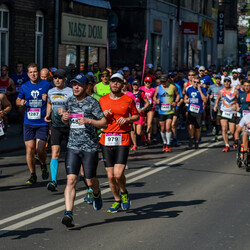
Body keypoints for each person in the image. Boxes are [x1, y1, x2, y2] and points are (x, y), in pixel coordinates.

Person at [61, 74, 108, 227]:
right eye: (74, 84)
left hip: (90, 147)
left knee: (90, 180)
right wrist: (65, 119)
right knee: (71, 180)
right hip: (73, 146)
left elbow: (104, 122)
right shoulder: (69, 101)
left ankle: (96, 192)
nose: (76, 87)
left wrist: (89, 120)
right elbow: (66, 121)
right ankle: (68, 213)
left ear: (86, 86)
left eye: (79, 85)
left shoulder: (92, 103)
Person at [99, 73, 139, 213]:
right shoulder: (102, 100)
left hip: (122, 138)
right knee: (110, 176)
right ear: (109, 84)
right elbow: (96, 117)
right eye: (113, 81)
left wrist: (127, 120)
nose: (115, 84)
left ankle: (124, 192)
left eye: (118, 82)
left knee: (117, 174)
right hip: (106, 139)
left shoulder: (128, 100)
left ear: (122, 85)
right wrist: (102, 114)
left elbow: (136, 115)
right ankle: (117, 200)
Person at [16, 63, 52, 184]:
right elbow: (18, 100)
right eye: (31, 72)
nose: (33, 74)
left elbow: (53, 100)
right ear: (28, 74)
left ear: (38, 72)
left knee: (40, 148)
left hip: (42, 122)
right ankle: (32, 175)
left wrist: (47, 99)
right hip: (28, 122)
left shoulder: (46, 85)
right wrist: (20, 103)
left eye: (35, 72)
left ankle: (43, 164)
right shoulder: (25, 86)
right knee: (30, 149)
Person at [44, 69, 73, 191]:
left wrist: (67, 113)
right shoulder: (51, 91)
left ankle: (82, 179)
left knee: (73, 153)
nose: (57, 80)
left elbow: (76, 107)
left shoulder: (71, 92)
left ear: (65, 79)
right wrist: (47, 114)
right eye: (55, 77)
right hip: (56, 126)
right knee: (55, 153)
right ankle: (53, 180)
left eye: (59, 78)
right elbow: (50, 103)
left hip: (70, 127)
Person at [154, 74, 180, 152]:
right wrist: (156, 100)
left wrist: (175, 102)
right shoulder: (158, 88)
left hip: (170, 110)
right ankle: (164, 142)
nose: (163, 83)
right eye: (161, 82)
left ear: (167, 80)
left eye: (164, 81)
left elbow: (178, 95)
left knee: (168, 127)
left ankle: (168, 144)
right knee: (162, 128)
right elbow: (154, 96)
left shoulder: (173, 87)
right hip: (161, 111)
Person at [214, 77, 238, 152]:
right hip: (224, 111)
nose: (226, 83)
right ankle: (227, 145)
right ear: (223, 83)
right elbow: (218, 99)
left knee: (232, 131)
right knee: (224, 129)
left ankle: (235, 140)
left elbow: (237, 100)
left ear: (230, 82)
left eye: (228, 81)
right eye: (225, 81)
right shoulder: (221, 91)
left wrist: (236, 108)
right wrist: (215, 105)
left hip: (232, 112)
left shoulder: (235, 91)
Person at [185, 76, 208, 149]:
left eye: (197, 82)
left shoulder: (203, 89)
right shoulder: (189, 89)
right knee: (190, 126)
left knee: (197, 128)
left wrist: (200, 90)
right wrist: (188, 101)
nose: (196, 84)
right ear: (192, 82)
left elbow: (205, 99)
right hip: (191, 110)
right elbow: (185, 98)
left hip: (199, 111)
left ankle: (197, 141)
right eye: (194, 82)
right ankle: (191, 138)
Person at [130, 79, 149, 150]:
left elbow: (147, 103)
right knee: (132, 130)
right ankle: (135, 144)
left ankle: (143, 135)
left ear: (139, 86)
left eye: (136, 85)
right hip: (132, 114)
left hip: (140, 114)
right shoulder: (130, 93)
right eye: (134, 85)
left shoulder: (141, 93)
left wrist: (142, 109)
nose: (135, 86)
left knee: (138, 132)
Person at [207, 74, 223, 141]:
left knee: (218, 119)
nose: (217, 80)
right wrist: (210, 96)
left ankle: (217, 133)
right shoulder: (211, 87)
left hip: (220, 105)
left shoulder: (223, 87)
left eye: (218, 78)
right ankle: (215, 127)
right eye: (216, 79)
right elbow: (208, 93)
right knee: (213, 119)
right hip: (213, 104)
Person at [139, 76, 155, 144]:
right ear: (144, 82)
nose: (148, 83)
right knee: (144, 124)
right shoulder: (141, 88)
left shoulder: (153, 89)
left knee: (149, 123)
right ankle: (144, 136)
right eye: (146, 82)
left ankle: (149, 138)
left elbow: (154, 97)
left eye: (149, 82)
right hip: (143, 107)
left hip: (150, 107)